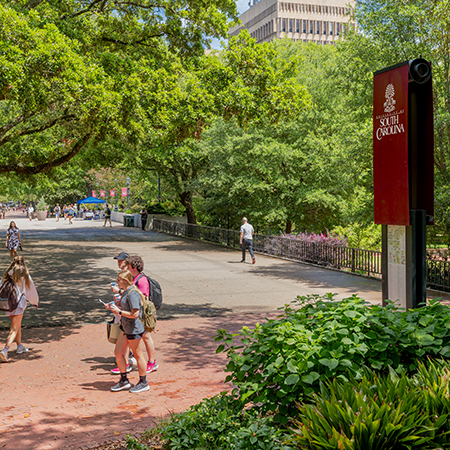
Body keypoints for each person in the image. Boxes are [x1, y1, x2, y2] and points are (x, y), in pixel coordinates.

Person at [108, 270, 149, 393]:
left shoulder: (132, 294)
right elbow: (126, 309)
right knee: (118, 353)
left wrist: (119, 312)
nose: (116, 283)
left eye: (118, 280)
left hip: (134, 329)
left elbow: (135, 314)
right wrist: (115, 308)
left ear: (125, 281)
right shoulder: (126, 292)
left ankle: (143, 382)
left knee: (138, 355)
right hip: (125, 328)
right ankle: (124, 380)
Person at [0, 256, 39, 362]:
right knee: (14, 329)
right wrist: (34, 302)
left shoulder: (9, 273)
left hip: (8, 304)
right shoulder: (25, 275)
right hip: (19, 304)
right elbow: (31, 290)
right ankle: (5, 350)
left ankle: (19, 346)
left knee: (17, 325)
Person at [123, 256, 157, 373]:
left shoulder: (141, 280)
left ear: (135, 268)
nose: (126, 269)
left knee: (146, 337)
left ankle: (152, 361)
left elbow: (142, 298)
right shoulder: (134, 278)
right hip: (138, 313)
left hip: (142, 314)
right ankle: (126, 361)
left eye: (128, 267)